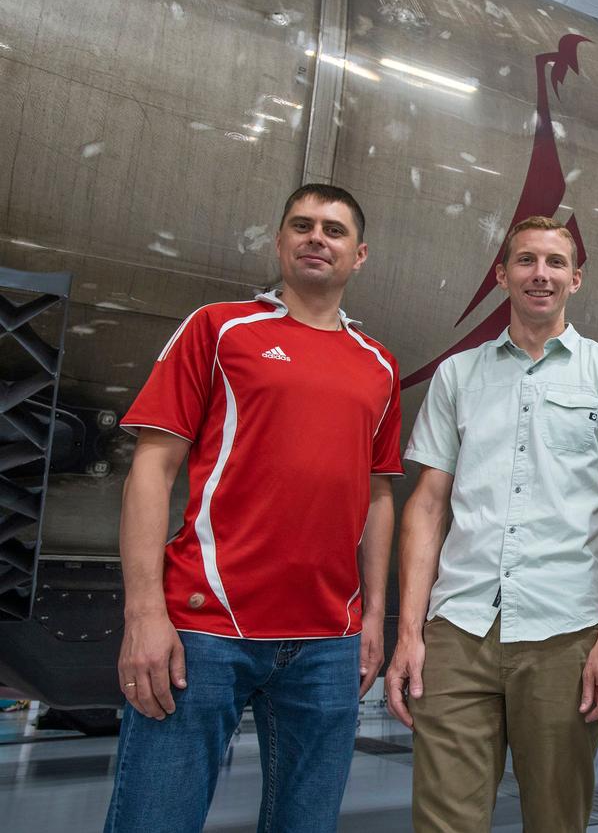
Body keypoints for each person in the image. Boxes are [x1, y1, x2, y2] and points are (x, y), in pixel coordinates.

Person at [104, 184, 402, 832]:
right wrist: (145, 610)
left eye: (333, 229)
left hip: (329, 640)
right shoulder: (219, 329)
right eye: (302, 224)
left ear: (360, 255)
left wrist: (375, 614)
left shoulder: (378, 365)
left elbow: (378, 493)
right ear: (280, 242)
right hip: (205, 630)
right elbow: (152, 467)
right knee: (154, 819)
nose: (317, 237)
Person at [384, 215, 598, 833]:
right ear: (503, 276)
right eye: (527, 261)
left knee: (557, 819)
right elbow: (426, 505)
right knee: (442, 822)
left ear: (576, 279)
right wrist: (409, 635)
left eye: (555, 263)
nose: (541, 275)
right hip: (459, 627)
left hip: (566, 631)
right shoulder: (459, 375)